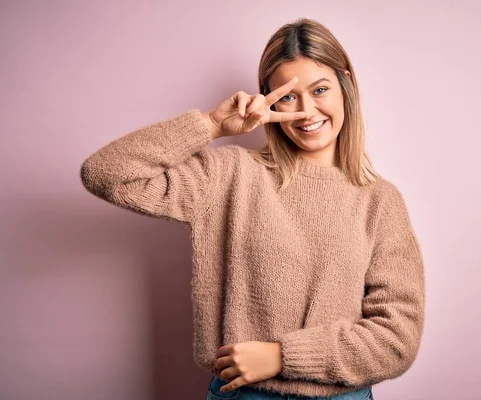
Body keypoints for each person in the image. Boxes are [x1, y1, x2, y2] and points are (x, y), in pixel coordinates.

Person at [80, 17, 425, 400]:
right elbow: (106, 174)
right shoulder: (231, 174)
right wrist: (211, 124)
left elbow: (397, 338)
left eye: (320, 89)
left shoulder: (379, 201)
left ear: (345, 84)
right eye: (289, 95)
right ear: (268, 99)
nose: (307, 111)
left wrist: (283, 356)